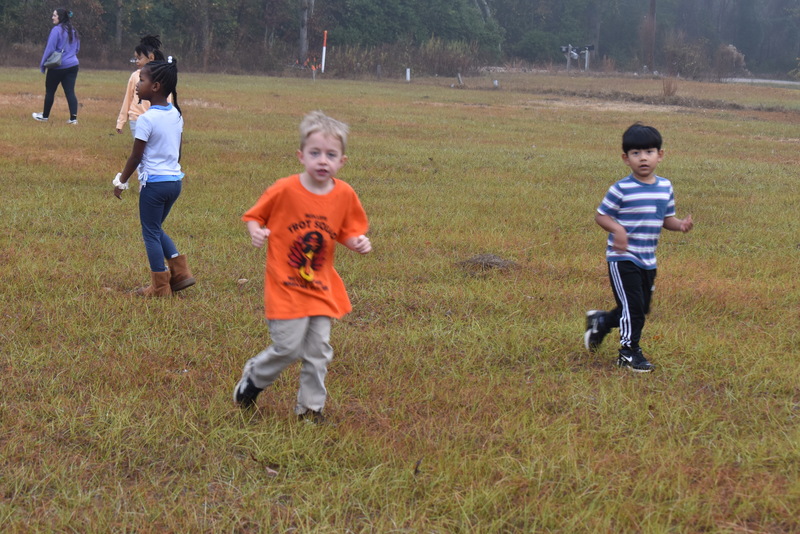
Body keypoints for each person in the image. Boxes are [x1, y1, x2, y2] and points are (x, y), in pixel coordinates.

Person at [233, 111, 372, 423]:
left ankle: (310, 409)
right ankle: (254, 378)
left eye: (331, 155)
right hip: (286, 285)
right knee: (288, 347)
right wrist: (256, 231)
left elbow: (348, 232)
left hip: (321, 286)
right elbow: (255, 216)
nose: (322, 160)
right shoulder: (285, 189)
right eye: (315, 153)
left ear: (342, 161)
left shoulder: (344, 194)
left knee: (319, 350)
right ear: (301, 156)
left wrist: (358, 242)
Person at [583, 123, 693, 372]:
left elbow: (667, 220)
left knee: (638, 307)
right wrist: (619, 230)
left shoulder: (665, 187)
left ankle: (601, 322)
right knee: (633, 309)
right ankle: (628, 352)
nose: (643, 158)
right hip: (622, 258)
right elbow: (602, 216)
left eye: (649, 152)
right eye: (635, 153)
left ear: (660, 155)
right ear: (626, 158)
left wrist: (680, 225)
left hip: (648, 259)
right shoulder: (620, 189)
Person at [112, 58, 195, 297]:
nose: (138, 84)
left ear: (156, 86)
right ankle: (181, 274)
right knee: (156, 228)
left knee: (149, 232)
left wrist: (121, 181)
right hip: (174, 183)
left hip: (154, 186)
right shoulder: (176, 115)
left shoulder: (146, 119)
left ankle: (159, 287)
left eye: (143, 79)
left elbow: (136, 156)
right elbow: (177, 152)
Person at [33, 8, 80, 124]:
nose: (52, 17)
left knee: (50, 91)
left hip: (58, 66)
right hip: (73, 65)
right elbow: (77, 48)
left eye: (54, 15)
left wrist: (43, 64)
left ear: (60, 17)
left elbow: (50, 49)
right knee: (70, 92)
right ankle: (73, 119)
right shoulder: (73, 30)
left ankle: (44, 117)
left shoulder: (56, 30)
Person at [116, 35, 165, 137]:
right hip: (136, 118)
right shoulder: (134, 76)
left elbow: (167, 99)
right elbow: (128, 99)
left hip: (155, 120)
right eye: (135, 58)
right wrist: (121, 121)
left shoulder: (161, 77)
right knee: (141, 148)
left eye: (139, 58)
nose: (137, 61)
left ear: (151, 58)